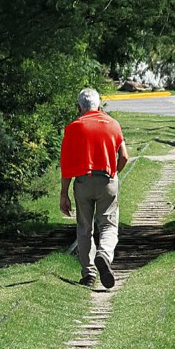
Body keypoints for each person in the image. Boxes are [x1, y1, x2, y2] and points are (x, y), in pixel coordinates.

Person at [59, 88, 129, 288]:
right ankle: (104, 255)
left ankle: (89, 273)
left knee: (84, 227)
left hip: (83, 181)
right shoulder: (113, 124)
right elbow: (124, 156)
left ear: (79, 107)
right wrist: (115, 173)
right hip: (107, 179)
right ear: (99, 106)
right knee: (108, 224)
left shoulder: (73, 128)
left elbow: (66, 164)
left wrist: (64, 194)